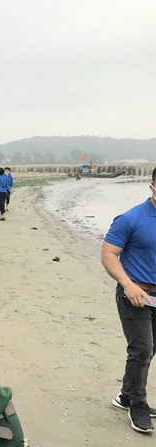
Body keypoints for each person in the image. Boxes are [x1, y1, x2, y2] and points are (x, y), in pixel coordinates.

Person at [100, 167, 156, 433]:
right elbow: (109, 254)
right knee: (142, 349)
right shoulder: (131, 218)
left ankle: (125, 394)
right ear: (152, 186)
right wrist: (127, 284)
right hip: (134, 295)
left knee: (150, 349)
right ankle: (138, 404)